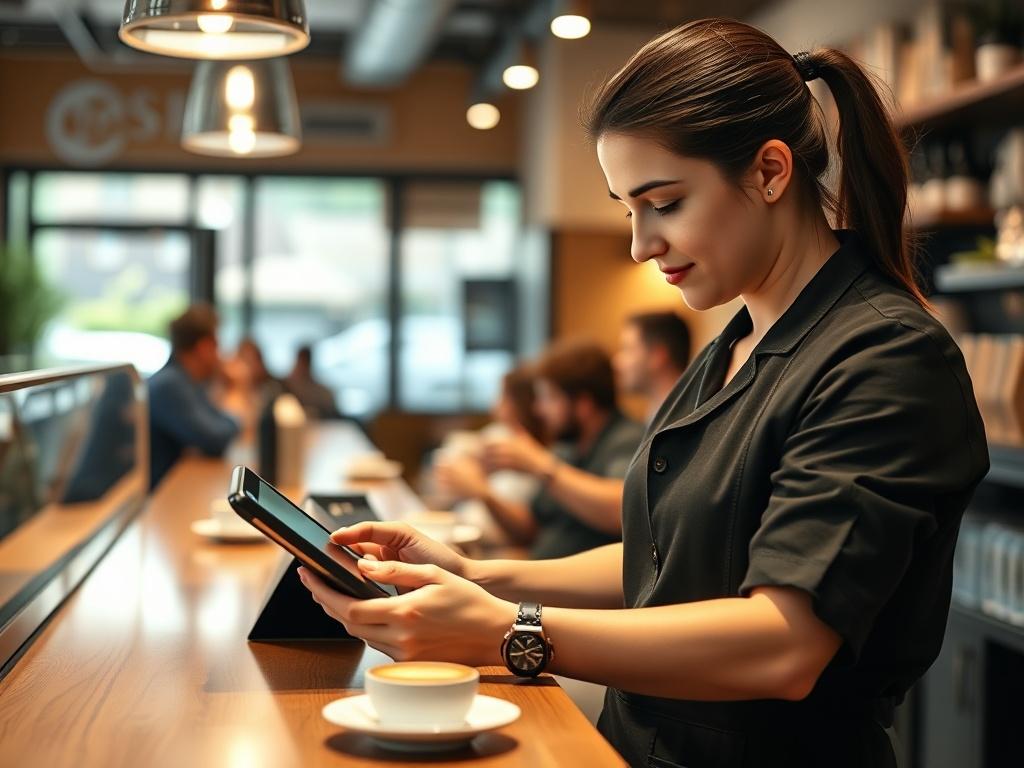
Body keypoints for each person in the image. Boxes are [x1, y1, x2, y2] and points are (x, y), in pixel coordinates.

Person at [296, 19, 988, 768]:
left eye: (664, 203)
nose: (640, 244)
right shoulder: (732, 344)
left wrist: (508, 627)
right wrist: (478, 576)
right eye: (630, 208)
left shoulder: (885, 356)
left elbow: (784, 645)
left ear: (770, 172)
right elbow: (671, 555)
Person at [446, 340, 643, 559]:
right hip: (542, 574)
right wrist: (484, 493)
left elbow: (623, 511)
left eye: (549, 397)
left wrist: (542, 466)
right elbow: (529, 530)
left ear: (583, 404)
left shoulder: (629, 440)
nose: (539, 409)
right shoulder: (566, 448)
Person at [433, 365, 545, 545]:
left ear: (525, 403)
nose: (495, 406)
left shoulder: (543, 455)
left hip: (492, 544)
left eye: (504, 397)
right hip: (466, 527)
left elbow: (526, 532)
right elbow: (458, 460)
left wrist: (480, 490)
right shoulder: (500, 435)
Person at [148, 304, 240, 489]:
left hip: (169, 487)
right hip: (154, 495)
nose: (221, 354)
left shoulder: (188, 382)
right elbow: (215, 440)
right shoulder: (169, 385)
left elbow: (221, 422)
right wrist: (235, 393)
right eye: (217, 345)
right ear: (204, 347)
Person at [614, 310, 691, 423]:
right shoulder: (657, 415)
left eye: (628, 349)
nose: (617, 362)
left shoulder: (685, 419)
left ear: (658, 356)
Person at [285, 344, 338, 419]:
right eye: (301, 362)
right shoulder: (286, 386)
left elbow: (330, 408)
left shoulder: (320, 390)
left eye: (305, 362)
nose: (302, 367)